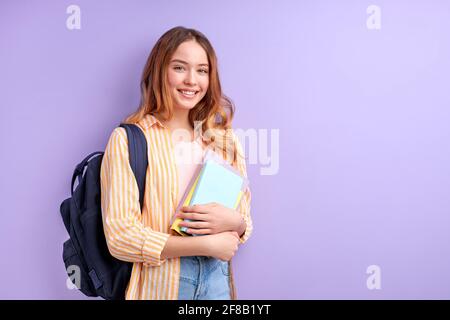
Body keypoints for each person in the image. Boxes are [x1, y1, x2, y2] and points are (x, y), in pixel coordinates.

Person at [99, 26, 252, 300]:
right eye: (180, 68)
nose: (192, 80)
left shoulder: (224, 140)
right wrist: (206, 244)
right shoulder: (129, 140)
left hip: (217, 281)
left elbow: (244, 223)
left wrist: (237, 223)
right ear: (160, 71)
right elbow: (120, 237)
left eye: (202, 70)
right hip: (162, 283)